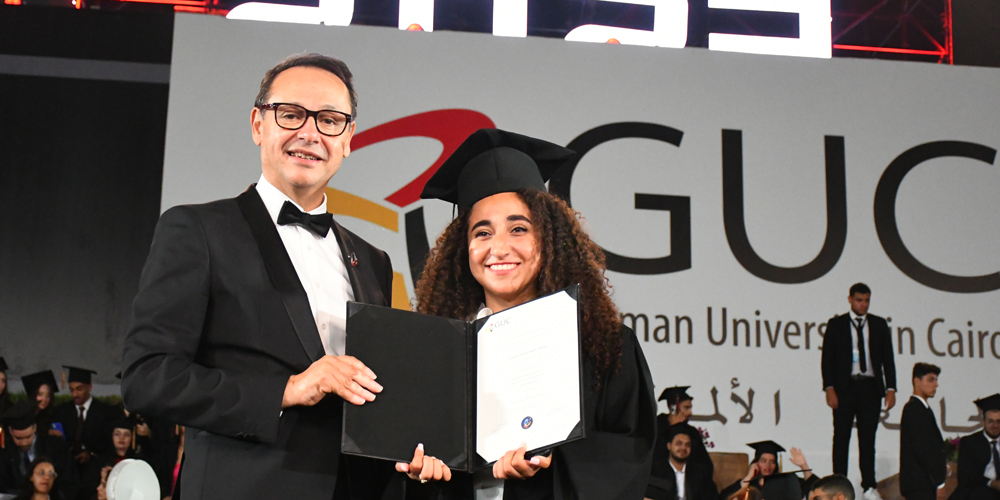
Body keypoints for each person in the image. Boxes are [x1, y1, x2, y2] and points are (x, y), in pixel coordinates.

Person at [120, 53, 398, 500]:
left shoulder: (373, 260)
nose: (309, 133)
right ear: (257, 124)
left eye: (329, 120)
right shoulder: (197, 231)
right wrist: (288, 390)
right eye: (290, 114)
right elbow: (147, 378)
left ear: (348, 140)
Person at [406, 128, 657, 499]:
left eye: (518, 229)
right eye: (482, 233)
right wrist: (422, 472)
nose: (499, 248)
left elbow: (628, 452)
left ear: (548, 238)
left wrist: (549, 460)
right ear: (463, 249)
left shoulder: (603, 344)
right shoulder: (438, 354)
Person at [821, 283, 896, 500]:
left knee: (868, 439)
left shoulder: (879, 324)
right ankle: (839, 483)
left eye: (866, 300)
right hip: (845, 388)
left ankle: (869, 486)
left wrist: (891, 388)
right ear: (850, 299)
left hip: (870, 387)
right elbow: (827, 359)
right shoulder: (836, 325)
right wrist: (829, 387)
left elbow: (888, 359)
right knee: (841, 437)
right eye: (859, 300)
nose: (863, 304)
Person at [0, 402, 78, 497]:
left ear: (34, 428)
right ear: (10, 431)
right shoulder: (4, 451)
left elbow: (68, 481)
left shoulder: (56, 446)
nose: (24, 443)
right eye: (18, 438)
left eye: (28, 437)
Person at [899, 363, 945, 500]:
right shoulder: (914, 409)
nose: (936, 384)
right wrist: (940, 482)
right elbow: (924, 449)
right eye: (931, 380)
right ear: (917, 381)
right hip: (921, 485)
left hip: (923, 485)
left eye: (936, 380)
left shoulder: (922, 409)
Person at [719, 441, 816, 500]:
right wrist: (748, 477)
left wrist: (803, 465)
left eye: (772, 461)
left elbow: (814, 489)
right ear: (756, 463)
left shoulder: (785, 483)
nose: (768, 466)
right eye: (763, 461)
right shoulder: (749, 484)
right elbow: (724, 497)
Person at [655, 386, 714, 478]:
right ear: (673, 408)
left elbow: (706, 465)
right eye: (686, 408)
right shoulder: (656, 427)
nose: (690, 413)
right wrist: (671, 428)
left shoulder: (692, 432)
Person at [646, 426, 719, 500]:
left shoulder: (700, 473)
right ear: (669, 446)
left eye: (687, 445)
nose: (683, 448)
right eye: (679, 443)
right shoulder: (655, 471)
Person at [952, 394, 1000, 500]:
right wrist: (992, 483)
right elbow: (966, 476)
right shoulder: (970, 443)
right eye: (990, 421)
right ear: (983, 422)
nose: (995, 425)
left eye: (998, 421)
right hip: (976, 492)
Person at [20, 371, 61, 438]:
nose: (44, 399)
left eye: (48, 395)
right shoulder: (23, 415)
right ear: (33, 395)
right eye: (40, 394)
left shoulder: (52, 415)